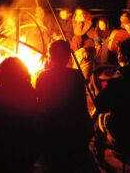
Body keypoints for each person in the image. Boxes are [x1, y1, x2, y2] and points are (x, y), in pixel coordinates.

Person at [36, 40, 98, 173]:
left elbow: (40, 106)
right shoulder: (76, 75)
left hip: (52, 132)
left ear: (50, 56)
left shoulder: (43, 76)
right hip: (75, 131)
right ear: (67, 57)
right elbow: (82, 105)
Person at [0, 57, 39, 173]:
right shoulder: (30, 91)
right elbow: (34, 118)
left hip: (0, 147)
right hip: (26, 148)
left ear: (2, 72)